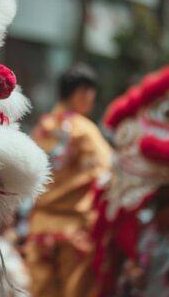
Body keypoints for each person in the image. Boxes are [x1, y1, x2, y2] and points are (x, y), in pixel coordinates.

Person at [25, 63, 112, 297]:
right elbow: (108, 173)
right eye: (90, 93)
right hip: (74, 232)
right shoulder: (85, 130)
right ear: (81, 93)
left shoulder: (42, 127)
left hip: (39, 229)